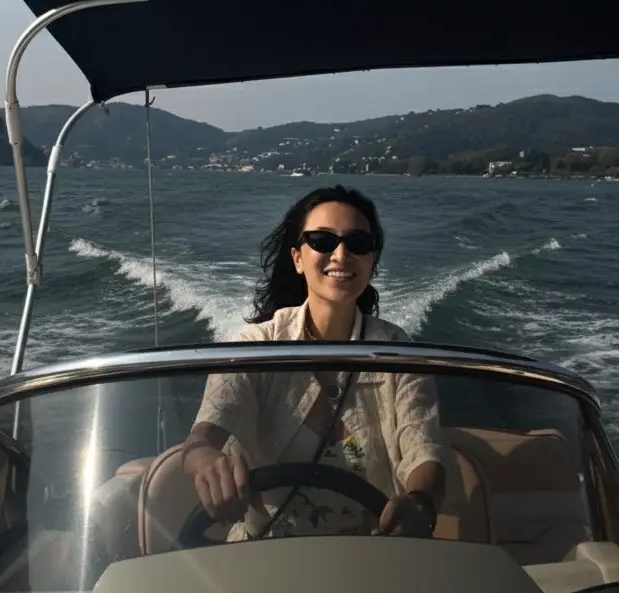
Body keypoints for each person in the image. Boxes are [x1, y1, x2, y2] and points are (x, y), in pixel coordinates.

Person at [181, 185, 445, 540]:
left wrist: (420, 502)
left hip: (372, 554)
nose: (340, 253)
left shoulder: (397, 351)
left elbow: (423, 448)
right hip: (262, 555)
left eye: (358, 243)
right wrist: (207, 463)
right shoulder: (256, 347)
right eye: (322, 240)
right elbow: (202, 438)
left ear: (372, 261)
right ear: (297, 258)